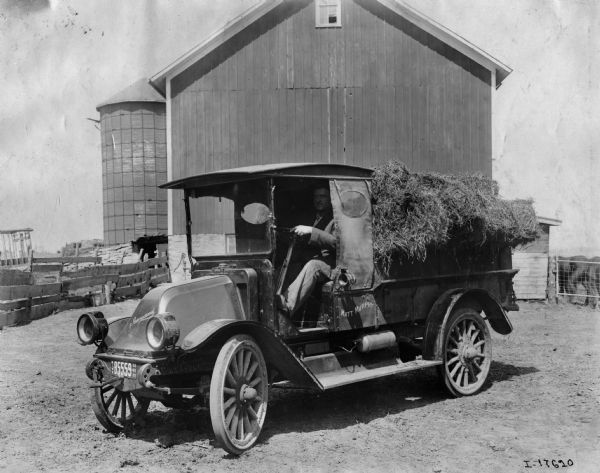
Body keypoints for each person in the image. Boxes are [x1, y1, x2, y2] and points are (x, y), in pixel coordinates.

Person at [281, 186, 336, 316]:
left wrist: (311, 230)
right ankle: (275, 300)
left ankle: (287, 307)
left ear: (330, 199)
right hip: (314, 258)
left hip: (334, 265)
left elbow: (336, 243)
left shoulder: (336, 219)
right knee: (292, 265)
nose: (319, 200)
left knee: (313, 265)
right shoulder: (311, 217)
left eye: (323, 196)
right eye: (316, 196)